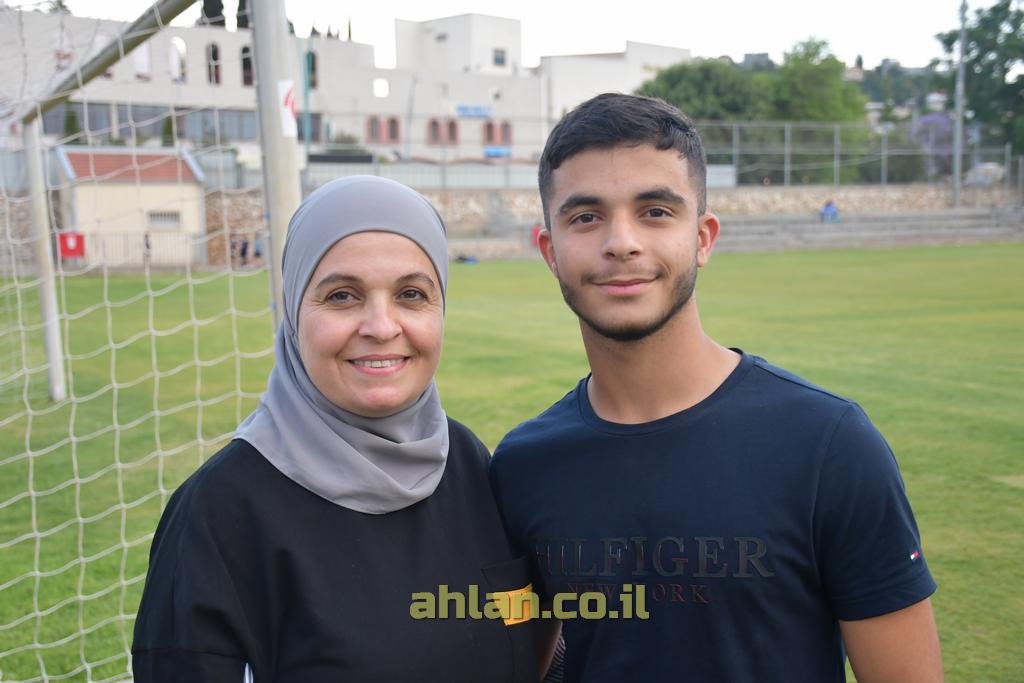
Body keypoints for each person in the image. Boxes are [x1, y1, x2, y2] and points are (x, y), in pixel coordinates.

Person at [488, 94, 942, 682]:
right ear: (550, 251)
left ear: (703, 238)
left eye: (655, 211)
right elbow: (522, 662)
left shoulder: (828, 445)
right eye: (585, 217)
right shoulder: (523, 466)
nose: (621, 242)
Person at [133, 176, 537, 682]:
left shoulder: (467, 460)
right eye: (343, 295)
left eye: (411, 294)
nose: (381, 326)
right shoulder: (219, 514)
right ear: (293, 310)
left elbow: (523, 637)